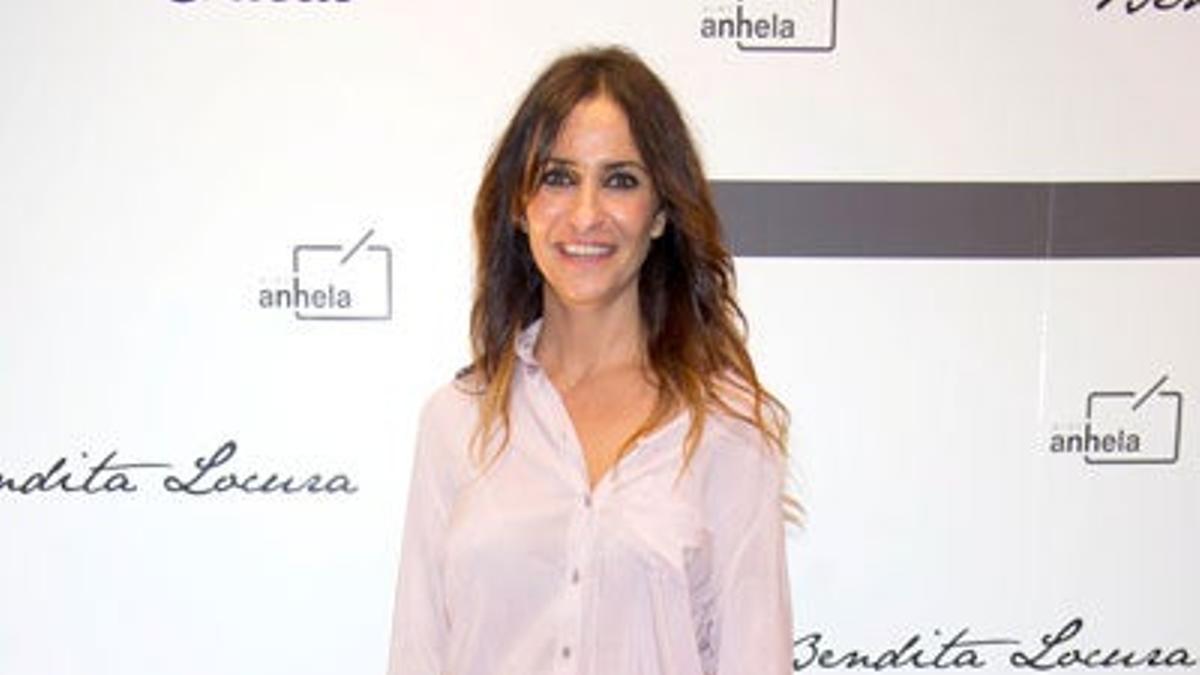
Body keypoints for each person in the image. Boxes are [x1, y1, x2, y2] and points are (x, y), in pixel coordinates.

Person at [387, 45, 793, 675]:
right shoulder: (457, 421)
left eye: (620, 180)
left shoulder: (727, 429)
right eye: (558, 177)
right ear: (519, 205)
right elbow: (418, 655)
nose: (585, 214)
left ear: (660, 213)